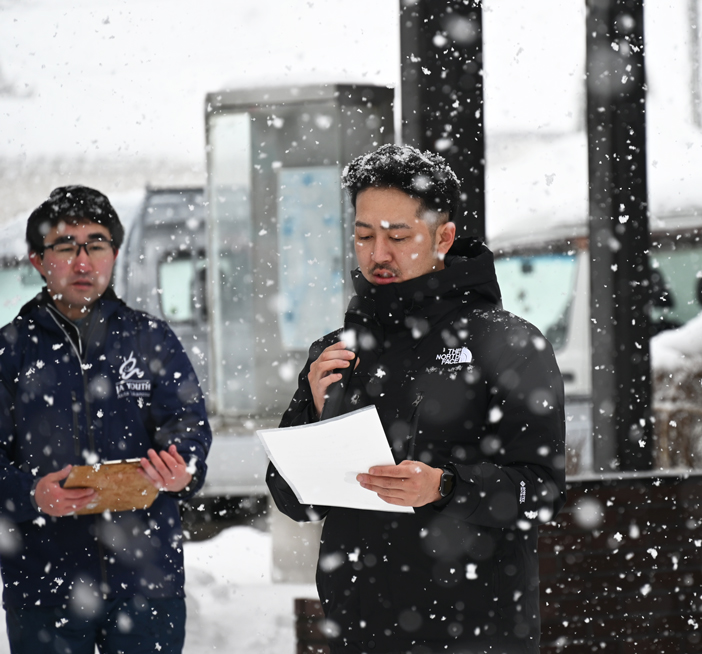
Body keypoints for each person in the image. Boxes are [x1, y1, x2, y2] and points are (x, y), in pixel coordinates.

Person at [267, 144, 567, 654]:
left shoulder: (507, 343)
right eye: (364, 235)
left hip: (476, 635)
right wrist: (312, 416)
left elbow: (541, 494)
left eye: (398, 236)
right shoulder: (336, 350)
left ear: (443, 237)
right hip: (358, 632)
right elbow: (295, 500)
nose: (377, 253)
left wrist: (445, 488)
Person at [0, 186, 212, 654]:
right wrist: (32, 494)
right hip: (43, 584)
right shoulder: (9, 351)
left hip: (146, 582)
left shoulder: (151, 340)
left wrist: (182, 468)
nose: (82, 262)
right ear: (37, 260)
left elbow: (189, 426)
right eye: (65, 246)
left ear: (114, 253)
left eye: (96, 245)